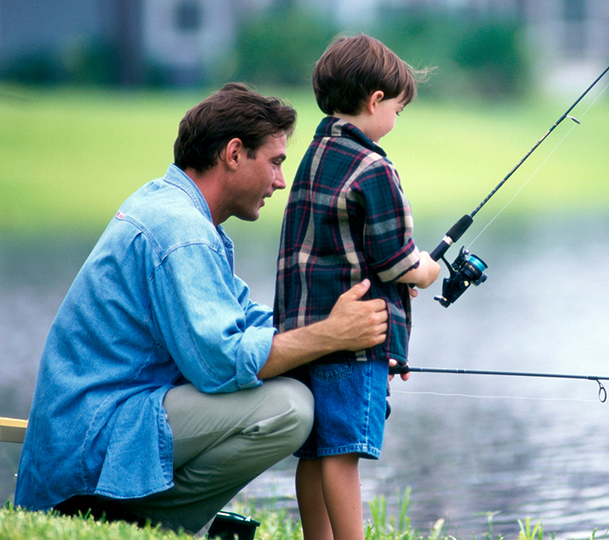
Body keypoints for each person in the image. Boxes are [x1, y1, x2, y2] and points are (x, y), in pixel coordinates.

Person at [14, 82, 390, 537]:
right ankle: (137, 522)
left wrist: (348, 350)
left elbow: (247, 321)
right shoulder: (180, 230)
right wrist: (330, 336)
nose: (280, 181)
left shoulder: (178, 212)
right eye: (274, 162)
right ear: (234, 154)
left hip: (110, 428)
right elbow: (222, 362)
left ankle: (142, 517)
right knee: (289, 408)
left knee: (291, 381)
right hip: (91, 449)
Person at [273, 35, 440, 540]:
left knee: (315, 449)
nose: (395, 119)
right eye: (398, 108)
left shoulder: (313, 155)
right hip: (351, 341)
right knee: (343, 454)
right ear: (375, 102)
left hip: (304, 336)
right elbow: (397, 260)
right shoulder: (375, 167)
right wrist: (428, 270)